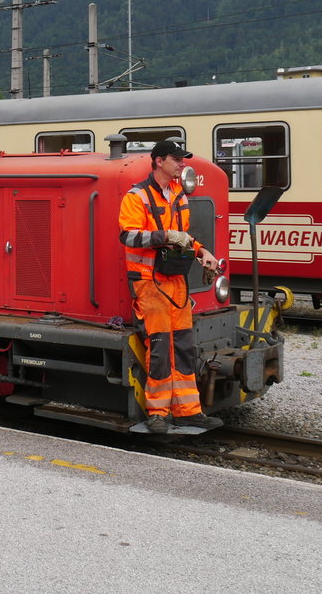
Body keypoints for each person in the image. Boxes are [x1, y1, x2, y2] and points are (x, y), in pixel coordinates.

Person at [118, 140, 223, 433]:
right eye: (177, 159)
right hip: (149, 282)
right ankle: (158, 413)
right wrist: (166, 236)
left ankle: (188, 410)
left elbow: (184, 236)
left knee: (184, 346)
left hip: (175, 281)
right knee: (161, 347)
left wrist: (203, 252)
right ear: (159, 161)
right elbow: (128, 237)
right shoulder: (136, 197)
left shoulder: (177, 194)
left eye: (183, 159)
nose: (182, 164)